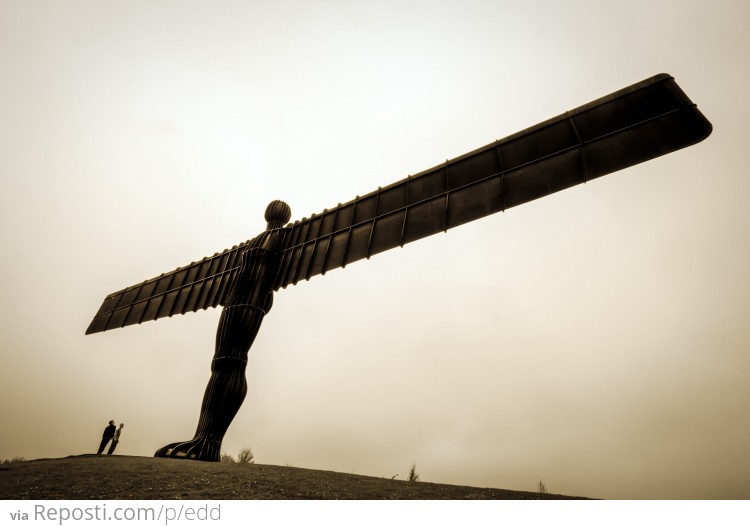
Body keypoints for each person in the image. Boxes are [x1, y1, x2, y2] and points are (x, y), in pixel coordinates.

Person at [155, 200, 291, 462]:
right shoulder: (256, 241)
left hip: (250, 304)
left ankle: (209, 442)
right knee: (220, 362)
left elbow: (265, 273)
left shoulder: (281, 238)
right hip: (234, 303)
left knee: (232, 360)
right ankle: (201, 438)